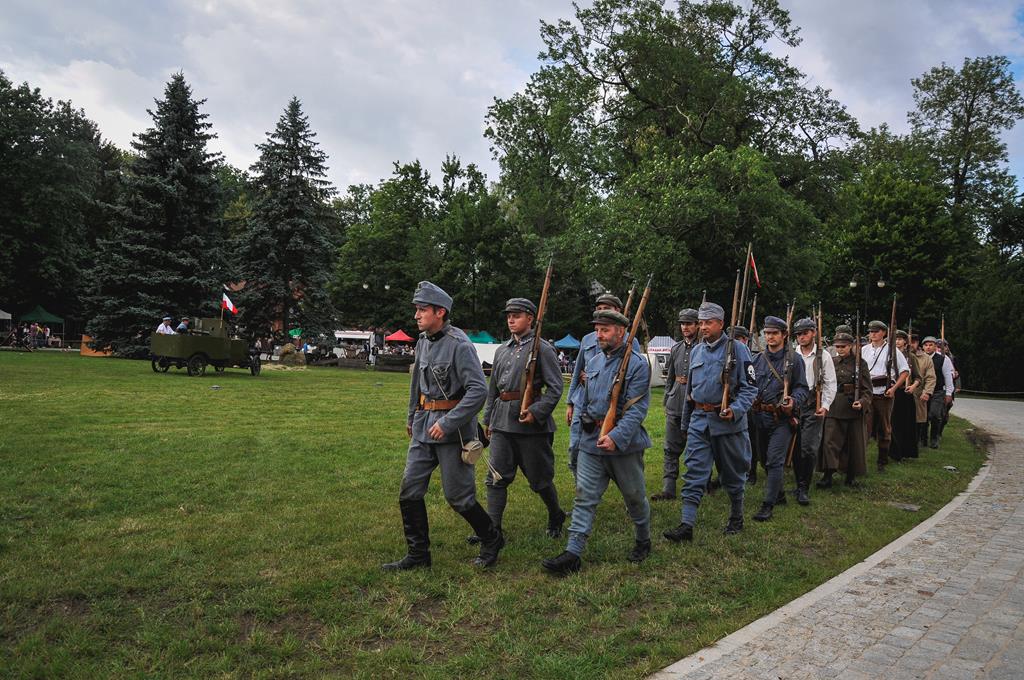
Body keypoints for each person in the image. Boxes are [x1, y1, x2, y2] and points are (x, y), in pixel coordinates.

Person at [382, 281, 504, 571]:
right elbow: (417, 384)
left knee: (459, 497)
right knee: (409, 490)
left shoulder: (459, 345)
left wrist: (448, 423)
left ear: (440, 312)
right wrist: (411, 417)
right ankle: (418, 555)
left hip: (453, 433)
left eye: (422, 310)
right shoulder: (423, 341)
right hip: (423, 427)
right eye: (416, 309)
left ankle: (492, 538)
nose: (416, 315)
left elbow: (478, 391)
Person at [543, 309, 652, 574]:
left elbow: (637, 409)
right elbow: (584, 401)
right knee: (584, 497)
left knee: (634, 497)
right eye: (597, 329)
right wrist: (581, 432)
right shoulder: (592, 363)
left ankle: (643, 539)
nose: (599, 335)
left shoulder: (637, 365)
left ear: (621, 331)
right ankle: (573, 552)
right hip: (592, 440)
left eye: (605, 330)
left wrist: (616, 437)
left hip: (623, 445)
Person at [663, 302, 757, 543]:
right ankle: (686, 525)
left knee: (733, 473)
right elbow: (690, 392)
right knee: (694, 472)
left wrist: (735, 410)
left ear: (721, 324)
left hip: (728, 424)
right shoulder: (697, 351)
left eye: (709, 323)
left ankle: (736, 517)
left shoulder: (738, 350)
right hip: (699, 421)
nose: (703, 327)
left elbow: (750, 389)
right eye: (701, 323)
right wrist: (686, 424)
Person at [479, 298, 566, 542]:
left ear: (530, 318)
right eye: (508, 315)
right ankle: (493, 531)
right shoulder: (501, 350)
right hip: (501, 422)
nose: (511, 319)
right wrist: (488, 420)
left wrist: (537, 411)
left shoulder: (543, 349)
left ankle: (556, 514)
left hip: (531, 426)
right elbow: (493, 389)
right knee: (496, 478)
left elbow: (556, 388)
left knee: (540, 479)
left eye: (516, 315)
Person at [565, 293, 639, 479]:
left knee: (615, 451)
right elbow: (577, 371)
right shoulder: (587, 339)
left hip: (612, 401)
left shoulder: (631, 341)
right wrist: (570, 402)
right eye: (599, 309)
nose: (602, 312)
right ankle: (581, 485)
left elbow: (633, 372)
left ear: (618, 311)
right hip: (583, 400)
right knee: (575, 446)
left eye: (607, 308)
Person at [750, 315, 808, 520]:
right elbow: (749, 385)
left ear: (784, 335)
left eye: (774, 333)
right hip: (759, 417)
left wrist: (793, 400)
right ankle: (780, 493)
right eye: (767, 333)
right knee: (764, 460)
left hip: (781, 419)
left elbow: (802, 388)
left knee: (775, 461)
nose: (770, 337)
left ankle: (768, 505)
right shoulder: (757, 360)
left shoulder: (794, 360)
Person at [652, 307, 699, 501]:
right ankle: (668, 489)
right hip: (675, 403)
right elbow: (670, 378)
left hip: (695, 405)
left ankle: (697, 486)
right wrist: (667, 399)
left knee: (696, 449)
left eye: (689, 324)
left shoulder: (703, 348)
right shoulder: (676, 348)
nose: (685, 327)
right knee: (670, 449)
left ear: (697, 325)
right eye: (682, 324)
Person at [818, 326, 872, 487]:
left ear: (851, 346)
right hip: (834, 406)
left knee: (854, 444)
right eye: (837, 346)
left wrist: (862, 402)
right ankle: (828, 475)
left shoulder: (860, 363)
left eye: (843, 346)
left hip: (852, 407)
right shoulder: (831, 361)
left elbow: (867, 390)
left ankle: (851, 476)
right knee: (829, 442)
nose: (840, 349)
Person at [792, 317, 836, 505]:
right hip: (794, 405)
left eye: (805, 333)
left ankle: (804, 487)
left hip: (813, 405)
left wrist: (825, 405)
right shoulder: (791, 355)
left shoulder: (823, 356)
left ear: (813, 333)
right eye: (798, 334)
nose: (801, 337)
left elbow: (830, 383)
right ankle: (797, 483)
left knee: (808, 448)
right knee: (794, 447)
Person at [861, 320, 910, 471]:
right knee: (864, 428)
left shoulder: (892, 350)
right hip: (867, 394)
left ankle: (882, 461)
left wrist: (894, 389)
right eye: (871, 331)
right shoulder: (864, 350)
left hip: (884, 394)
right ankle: (860, 462)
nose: (873, 334)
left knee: (884, 429)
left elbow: (905, 371)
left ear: (883, 333)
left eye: (876, 331)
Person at [890, 330, 921, 461]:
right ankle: (893, 452)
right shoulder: (888, 355)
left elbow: (918, 377)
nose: (897, 341)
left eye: (900, 339)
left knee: (906, 424)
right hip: (892, 392)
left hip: (905, 393)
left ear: (905, 341)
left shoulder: (911, 357)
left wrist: (913, 386)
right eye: (895, 339)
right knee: (892, 423)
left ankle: (905, 452)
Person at [922, 336, 954, 448]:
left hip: (938, 391)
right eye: (926, 345)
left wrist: (949, 393)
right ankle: (923, 439)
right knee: (923, 416)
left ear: (935, 346)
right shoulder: (919, 358)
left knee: (935, 414)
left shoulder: (943, 359)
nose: (928, 347)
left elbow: (948, 377)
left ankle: (934, 438)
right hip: (923, 391)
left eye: (931, 345)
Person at [908, 334, 937, 448]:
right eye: (909, 341)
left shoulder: (926, 358)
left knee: (918, 420)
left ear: (917, 343)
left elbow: (930, 378)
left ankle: (917, 442)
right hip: (901, 393)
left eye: (913, 342)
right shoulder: (899, 355)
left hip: (918, 394)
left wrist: (927, 392)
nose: (911, 344)